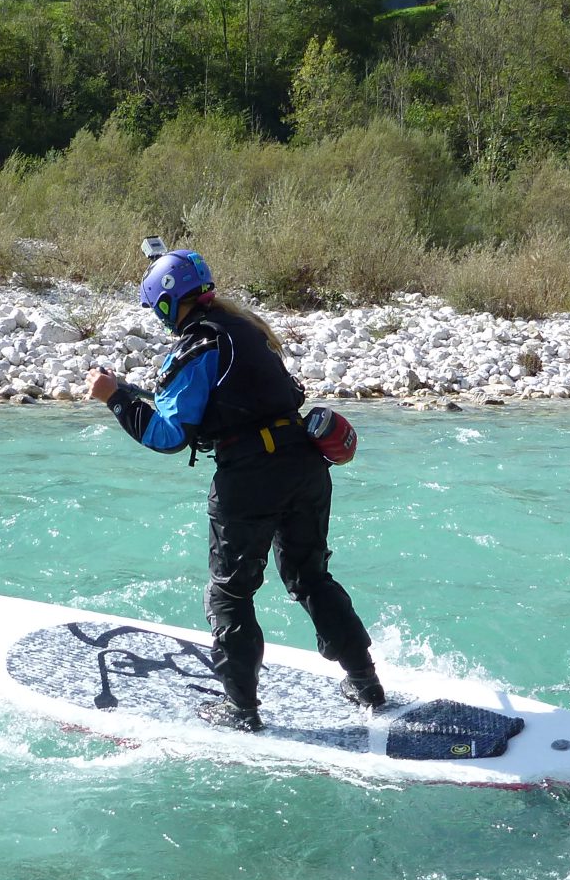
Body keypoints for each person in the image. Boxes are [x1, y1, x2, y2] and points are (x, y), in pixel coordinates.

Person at [85, 247, 386, 733]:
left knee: (230, 592)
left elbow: (168, 436)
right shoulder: (248, 330)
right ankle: (366, 683)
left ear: (167, 303)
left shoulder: (195, 346)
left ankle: (241, 709)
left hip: (249, 478)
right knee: (312, 578)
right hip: (305, 465)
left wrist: (115, 398)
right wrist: (133, 392)